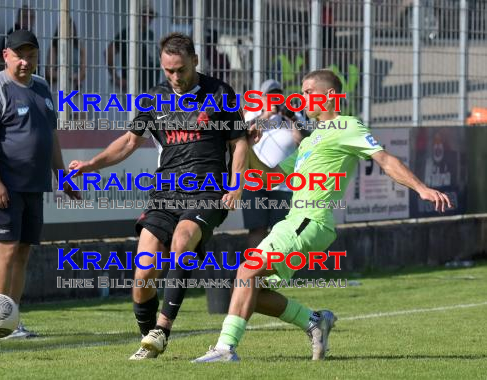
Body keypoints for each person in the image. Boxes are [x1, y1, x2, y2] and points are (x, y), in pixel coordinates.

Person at [193, 69, 453, 362]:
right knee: (252, 287)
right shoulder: (309, 140)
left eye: (307, 92)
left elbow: (385, 159)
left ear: (329, 96)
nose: (301, 99)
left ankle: (226, 349)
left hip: (311, 221)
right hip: (294, 222)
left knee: (246, 271)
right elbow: (268, 177)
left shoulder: (347, 125)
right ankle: (313, 321)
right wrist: (249, 147)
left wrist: (421, 188)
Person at [69, 32, 249, 360]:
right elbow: (128, 141)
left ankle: (163, 328)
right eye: (168, 71)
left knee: (182, 241)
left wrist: (236, 184)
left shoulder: (220, 93)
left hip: (207, 192)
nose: (175, 77)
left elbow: (239, 143)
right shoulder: (155, 98)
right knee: (142, 274)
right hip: (165, 194)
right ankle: (149, 341)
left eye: (180, 69)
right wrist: (91, 164)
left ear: (195, 60)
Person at [0, 30, 79, 339]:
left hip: (34, 185)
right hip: (5, 186)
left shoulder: (43, 86)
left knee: (22, 254)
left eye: (31, 56)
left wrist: (63, 176)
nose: (25, 61)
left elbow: (51, 136)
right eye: (19, 55)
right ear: (6, 55)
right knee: (5, 251)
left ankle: (12, 320)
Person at [242, 79, 305, 249]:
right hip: (254, 183)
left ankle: (276, 272)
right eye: (269, 96)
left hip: (283, 185)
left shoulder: (293, 116)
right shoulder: (253, 114)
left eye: (277, 95)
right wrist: (266, 115)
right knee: (257, 229)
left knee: (281, 232)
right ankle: (252, 271)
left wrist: (290, 117)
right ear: (261, 97)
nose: (273, 99)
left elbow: (303, 141)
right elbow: (243, 132)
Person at [106, 5, 159, 93]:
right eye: (144, 15)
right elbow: (109, 53)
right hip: (132, 87)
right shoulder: (127, 33)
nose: (148, 19)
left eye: (150, 16)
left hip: (149, 88)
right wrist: (116, 78)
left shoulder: (150, 34)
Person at [0, 5, 35, 71]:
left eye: (31, 17)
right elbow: (2, 60)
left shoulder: (31, 34)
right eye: (25, 17)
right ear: (19, 18)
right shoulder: (11, 35)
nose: (29, 20)